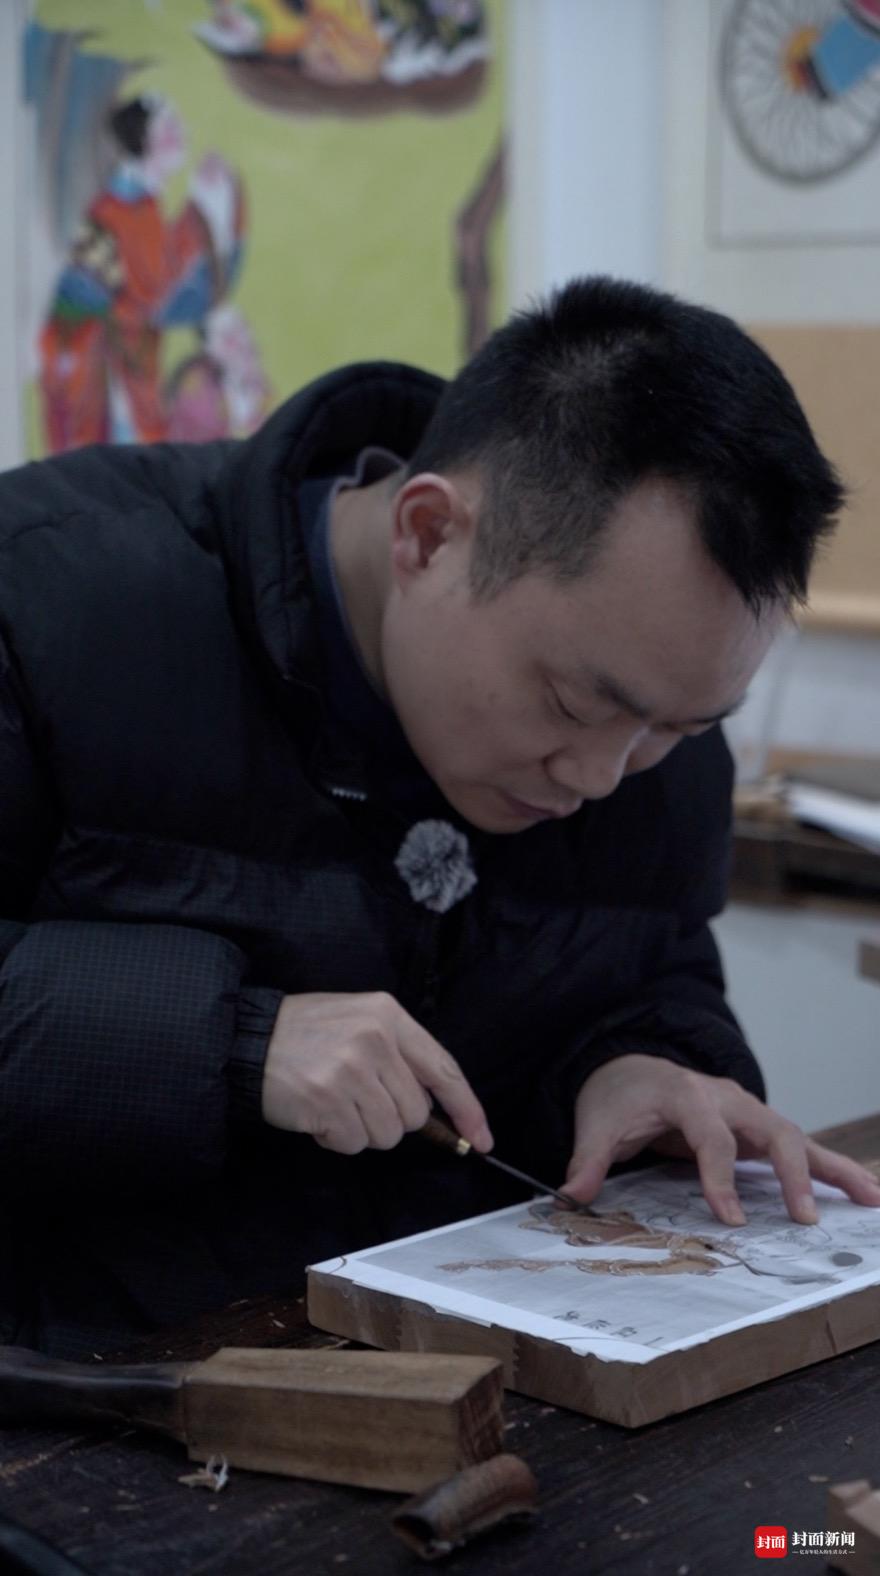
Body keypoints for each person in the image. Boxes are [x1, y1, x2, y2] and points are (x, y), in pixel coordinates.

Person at [3, 276, 878, 1359]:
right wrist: (229, 1041)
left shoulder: (648, 704)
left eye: (679, 729)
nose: (604, 774)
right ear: (427, 534)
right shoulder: (46, 596)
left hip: (480, 1385)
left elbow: (650, 965)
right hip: (84, 1390)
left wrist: (639, 1064)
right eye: (573, 705)